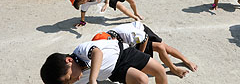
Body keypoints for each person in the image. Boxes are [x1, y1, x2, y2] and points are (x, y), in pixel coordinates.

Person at [92, 21, 198, 78]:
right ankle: (173, 67)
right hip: (130, 44)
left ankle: (179, 65)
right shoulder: (108, 39)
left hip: (142, 33)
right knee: (160, 48)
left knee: (163, 47)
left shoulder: (128, 34)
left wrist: (139, 55)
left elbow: (145, 38)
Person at [40, 39, 168, 84]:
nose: (73, 81)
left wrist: (92, 79)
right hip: (114, 71)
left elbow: (97, 53)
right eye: (68, 83)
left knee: (160, 70)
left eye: (69, 78)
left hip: (124, 53)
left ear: (69, 61)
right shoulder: (76, 79)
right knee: (142, 80)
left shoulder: (80, 51)